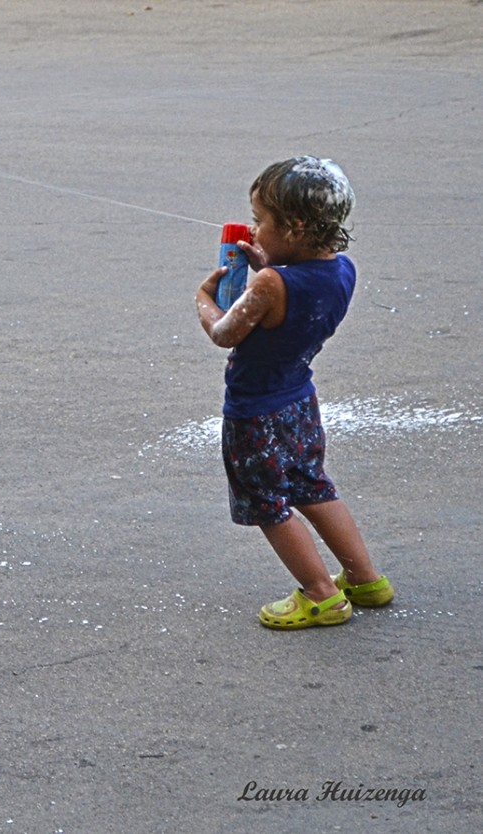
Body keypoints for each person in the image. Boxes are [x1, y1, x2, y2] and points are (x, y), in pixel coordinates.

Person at [195, 156, 393, 630]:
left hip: (254, 411)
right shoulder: (342, 271)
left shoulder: (269, 283)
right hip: (298, 400)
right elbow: (295, 299)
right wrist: (271, 268)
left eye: (261, 221)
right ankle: (365, 578)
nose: (255, 232)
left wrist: (204, 301)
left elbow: (226, 333)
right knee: (312, 485)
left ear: (296, 227)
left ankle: (322, 595)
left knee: (268, 504)